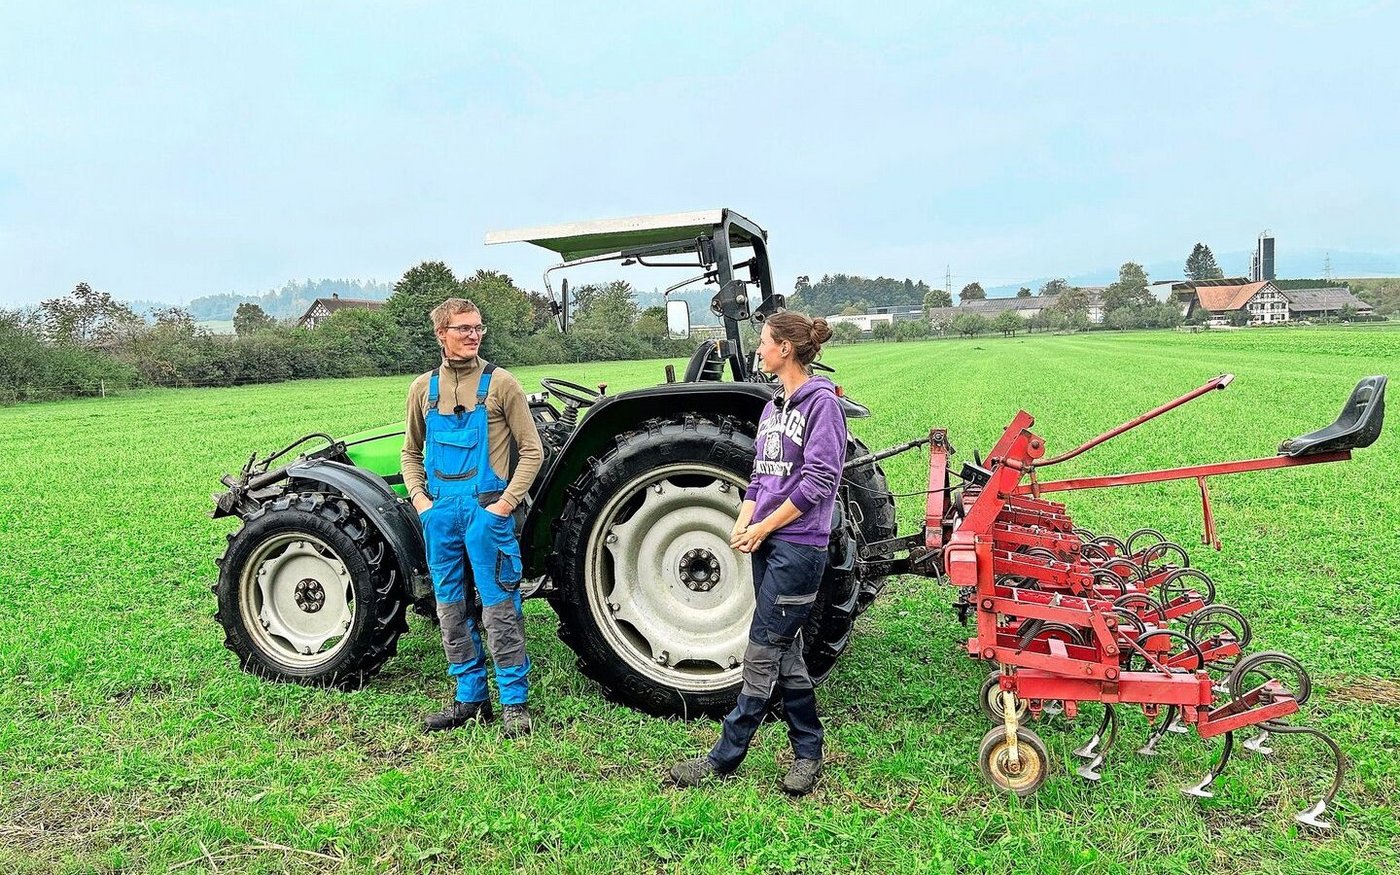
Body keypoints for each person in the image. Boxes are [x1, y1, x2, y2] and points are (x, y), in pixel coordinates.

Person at [669, 311, 845, 796]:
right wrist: (745, 520)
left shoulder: (821, 406)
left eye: (765, 342)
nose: (759, 350)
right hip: (765, 543)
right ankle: (809, 752)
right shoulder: (773, 408)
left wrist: (766, 525)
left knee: (763, 652)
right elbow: (760, 478)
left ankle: (724, 758)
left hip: (798, 546)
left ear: (786, 348)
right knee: (787, 653)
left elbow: (820, 481)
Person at [401, 298, 544, 737]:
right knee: (450, 609)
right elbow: (410, 453)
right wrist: (422, 503)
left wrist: (503, 507)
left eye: (478, 328)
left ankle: (514, 704)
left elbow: (533, 451)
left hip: (486, 512)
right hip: (441, 515)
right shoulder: (422, 390)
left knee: (500, 610)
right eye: (463, 328)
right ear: (441, 334)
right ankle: (470, 699)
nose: (473, 335)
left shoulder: (501, 385)